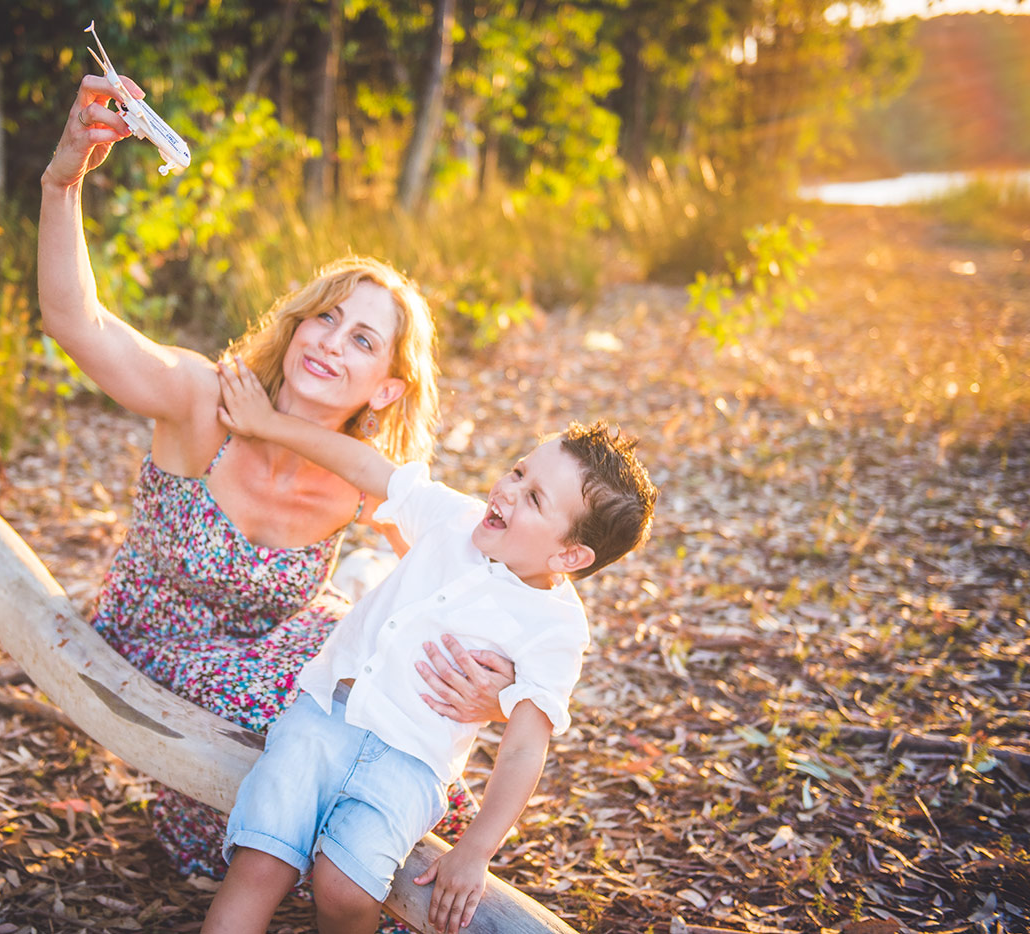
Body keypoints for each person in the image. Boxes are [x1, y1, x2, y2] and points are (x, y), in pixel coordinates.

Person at [37, 74, 516, 882]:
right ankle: (347, 823)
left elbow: (458, 575)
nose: (332, 342)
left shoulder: (367, 480)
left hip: (285, 657)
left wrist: (490, 686)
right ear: (296, 326)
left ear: (386, 389)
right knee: (328, 690)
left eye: (364, 341)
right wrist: (63, 179)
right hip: (155, 648)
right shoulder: (202, 402)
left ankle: (373, 835)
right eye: (325, 317)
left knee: (375, 654)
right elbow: (75, 322)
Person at [204, 359, 658, 934]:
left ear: (570, 556)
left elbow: (523, 749)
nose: (508, 491)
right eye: (519, 472)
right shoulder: (455, 519)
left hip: (410, 766)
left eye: (535, 498)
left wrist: (474, 851)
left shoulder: (557, 628)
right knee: (260, 861)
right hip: (321, 719)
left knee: (345, 889)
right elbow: (370, 468)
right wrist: (268, 423)